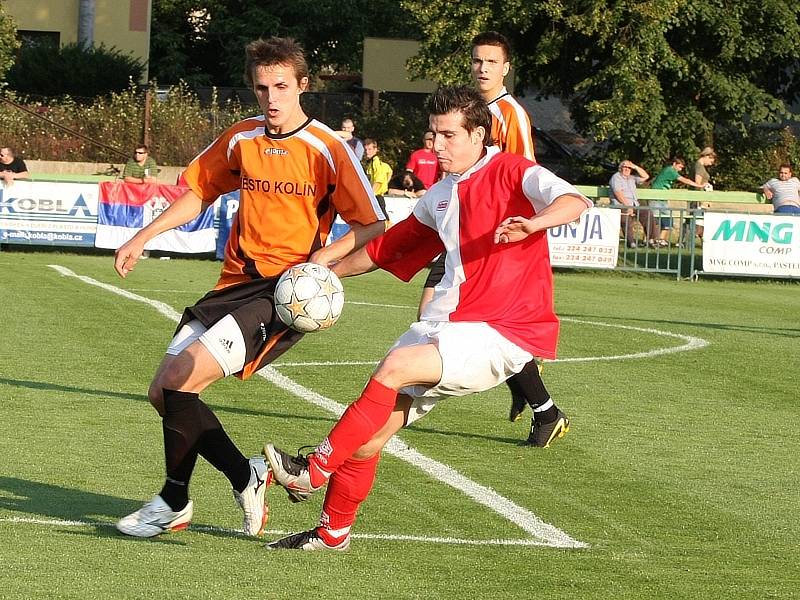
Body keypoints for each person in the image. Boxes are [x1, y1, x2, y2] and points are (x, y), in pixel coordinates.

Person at [262, 85, 592, 551]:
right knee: (369, 439)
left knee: (394, 370)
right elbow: (382, 251)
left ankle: (312, 469)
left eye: (448, 136)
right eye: (433, 134)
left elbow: (574, 201)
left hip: (502, 330)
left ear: (478, 135)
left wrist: (534, 223)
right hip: (446, 325)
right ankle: (333, 532)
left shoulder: (513, 170)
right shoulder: (438, 195)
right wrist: (324, 271)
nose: (436, 146)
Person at [112, 37, 385, 539]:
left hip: (281, 294)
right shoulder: (242, 139)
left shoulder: (329, 148)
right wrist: (143, 236)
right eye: (262, 88)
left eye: (281, 86)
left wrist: (322, 260)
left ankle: (173, 500)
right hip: (234, 283)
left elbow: (371, 225)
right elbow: (198, 193)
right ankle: (246, 475)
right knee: (162, 392)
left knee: (179, 382)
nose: (271, 98)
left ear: (303, 86)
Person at [420, 31, 561, 447]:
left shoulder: (509, 113)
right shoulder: (469, 109)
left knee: (452, 315)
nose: (483, 68)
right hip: (459, 226)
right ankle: (540, 405)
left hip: (492, 236)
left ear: (506, 68)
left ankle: (404, 398)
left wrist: (521, 230)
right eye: (477, 60)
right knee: (450, 316)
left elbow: (524, 175)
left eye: (491, 62)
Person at [649, 157, 705, 245]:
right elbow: (684, 180)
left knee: (668, 220)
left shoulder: (670, 171)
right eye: (679, 167)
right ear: (674, 164)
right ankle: (650, 240)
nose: (680, 169)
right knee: (654, 221)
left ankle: (660, 240)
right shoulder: (670, 171)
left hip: (662, 199)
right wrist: (699, 185)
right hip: (656, 198)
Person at [608, 160, 661, 248]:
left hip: (634, 204)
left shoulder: (632, 178)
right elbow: (618, 193)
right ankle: (631, 243)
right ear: (620, 168)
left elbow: (646, 176)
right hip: (620, 204)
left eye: (629, 168)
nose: (627, 169)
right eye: (625, 167)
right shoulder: (616, 177)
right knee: (626, 218)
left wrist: (635, 166)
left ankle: (651, 240)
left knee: (647, 213)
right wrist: (628, 206)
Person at [684, 147, 717, 242]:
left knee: (695, 220)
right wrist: (702, 198)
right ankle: (688, 241)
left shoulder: (697, 166)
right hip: (698, 198)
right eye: (711, 160)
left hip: (698, 197)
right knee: (697, 220)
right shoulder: (699, 167)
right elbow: (697, 182)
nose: (712, 163)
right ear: (706, 156)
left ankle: (687, 241)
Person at [364, 138, 393, 216]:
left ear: (375, 149)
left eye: (370, 149)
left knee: (382, 220)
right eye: (366, 149)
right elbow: (389, 171)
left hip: (376, 197)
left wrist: (371, 194)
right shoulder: (377, 163)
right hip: (378, 196)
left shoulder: (375, 162)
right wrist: (385, 184)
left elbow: (378, 180)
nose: (367, 152)